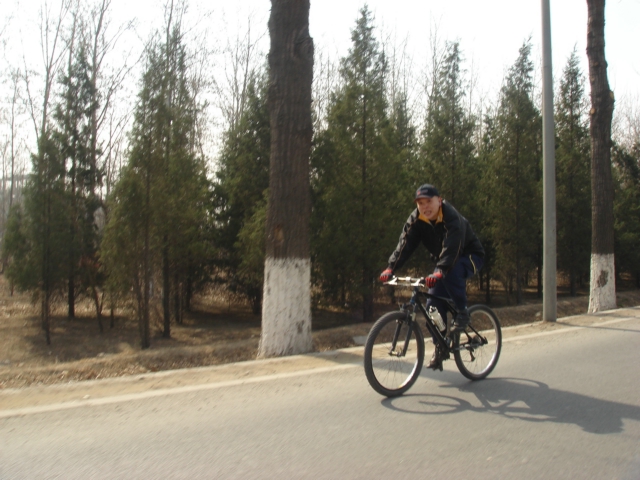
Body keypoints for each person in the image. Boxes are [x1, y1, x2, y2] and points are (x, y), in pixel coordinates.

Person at [379, 183, 485, 370]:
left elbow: (453, 246)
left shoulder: (451, 217)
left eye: (429, 202)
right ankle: (440, 346)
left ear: (439, 200)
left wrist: (439, 270)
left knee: (451, 271)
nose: (425, 207)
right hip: (444, 263)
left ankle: (462, 312)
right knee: (432, 308)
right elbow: (405, 243)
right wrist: (391, 268)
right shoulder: (416, 219)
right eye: (420, 203)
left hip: (469, 256)